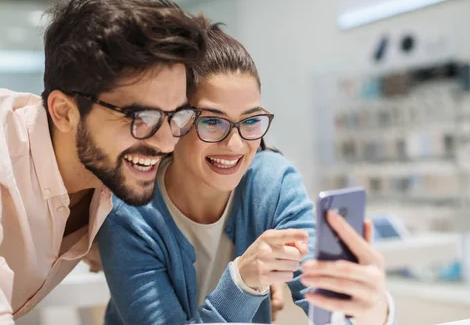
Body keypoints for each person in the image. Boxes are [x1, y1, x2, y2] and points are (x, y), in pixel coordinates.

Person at [0, 0, 207, 324]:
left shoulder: (112, 168)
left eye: (177, 116)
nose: (166, 142)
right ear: (64, 112)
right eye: (140, 117)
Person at [97, 16, 395, 324]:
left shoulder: (272, 182)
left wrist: (370, 310)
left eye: (251, 121)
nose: (237, 145)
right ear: (176, 121)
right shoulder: (129, 214)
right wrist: (241, 284)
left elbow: (325, 305)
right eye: (212, 122)